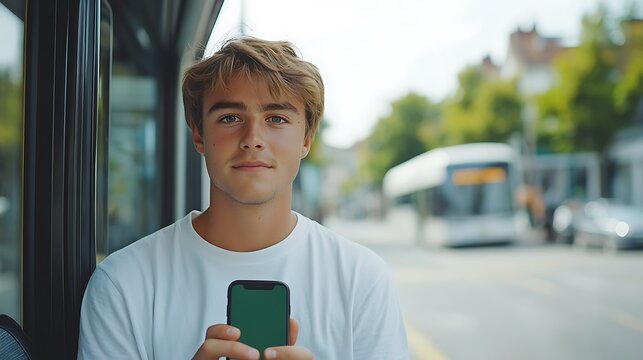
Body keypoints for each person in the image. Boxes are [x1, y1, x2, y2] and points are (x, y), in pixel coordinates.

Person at [77, 36, 409, 359]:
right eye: (230, 118)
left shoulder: (361, 279)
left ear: (306, 138)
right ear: (198, 134)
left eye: (276, 118)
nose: (253, 138)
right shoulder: (123, 284)